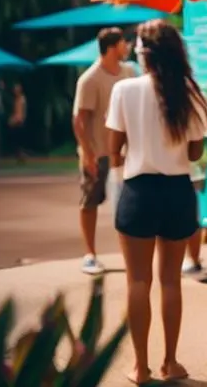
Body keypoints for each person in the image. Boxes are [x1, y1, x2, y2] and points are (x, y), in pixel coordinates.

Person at [106, 20, 207, 385]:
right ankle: (171, 362)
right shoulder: (190, 94)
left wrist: (137, 148)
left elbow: (113, 151)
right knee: (170, 282)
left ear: (143, 54)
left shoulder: (124, 90)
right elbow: (196, 151)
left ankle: (140, 367)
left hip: (139, 193)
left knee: (137, 281)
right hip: (178, 193)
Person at [73, 28, 135, 275]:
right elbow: (80, 120)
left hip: (125, 153)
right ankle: (90, 255)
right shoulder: (90, 79)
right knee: (90, 202)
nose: (127, 47)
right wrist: (88, 153)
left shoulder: (129, 72)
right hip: (98, 153)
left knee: (128, 204)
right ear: (112, 47)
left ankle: (130, 253)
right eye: (123, 43)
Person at [7, 82, 27, 163]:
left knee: (19, 142)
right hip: (16, 121)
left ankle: (20, 156)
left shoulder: (21, 99)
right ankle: (18, 155)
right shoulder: (16, 99)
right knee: (16, 142)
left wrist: (16, 120)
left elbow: (21, 113)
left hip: (20, 122)